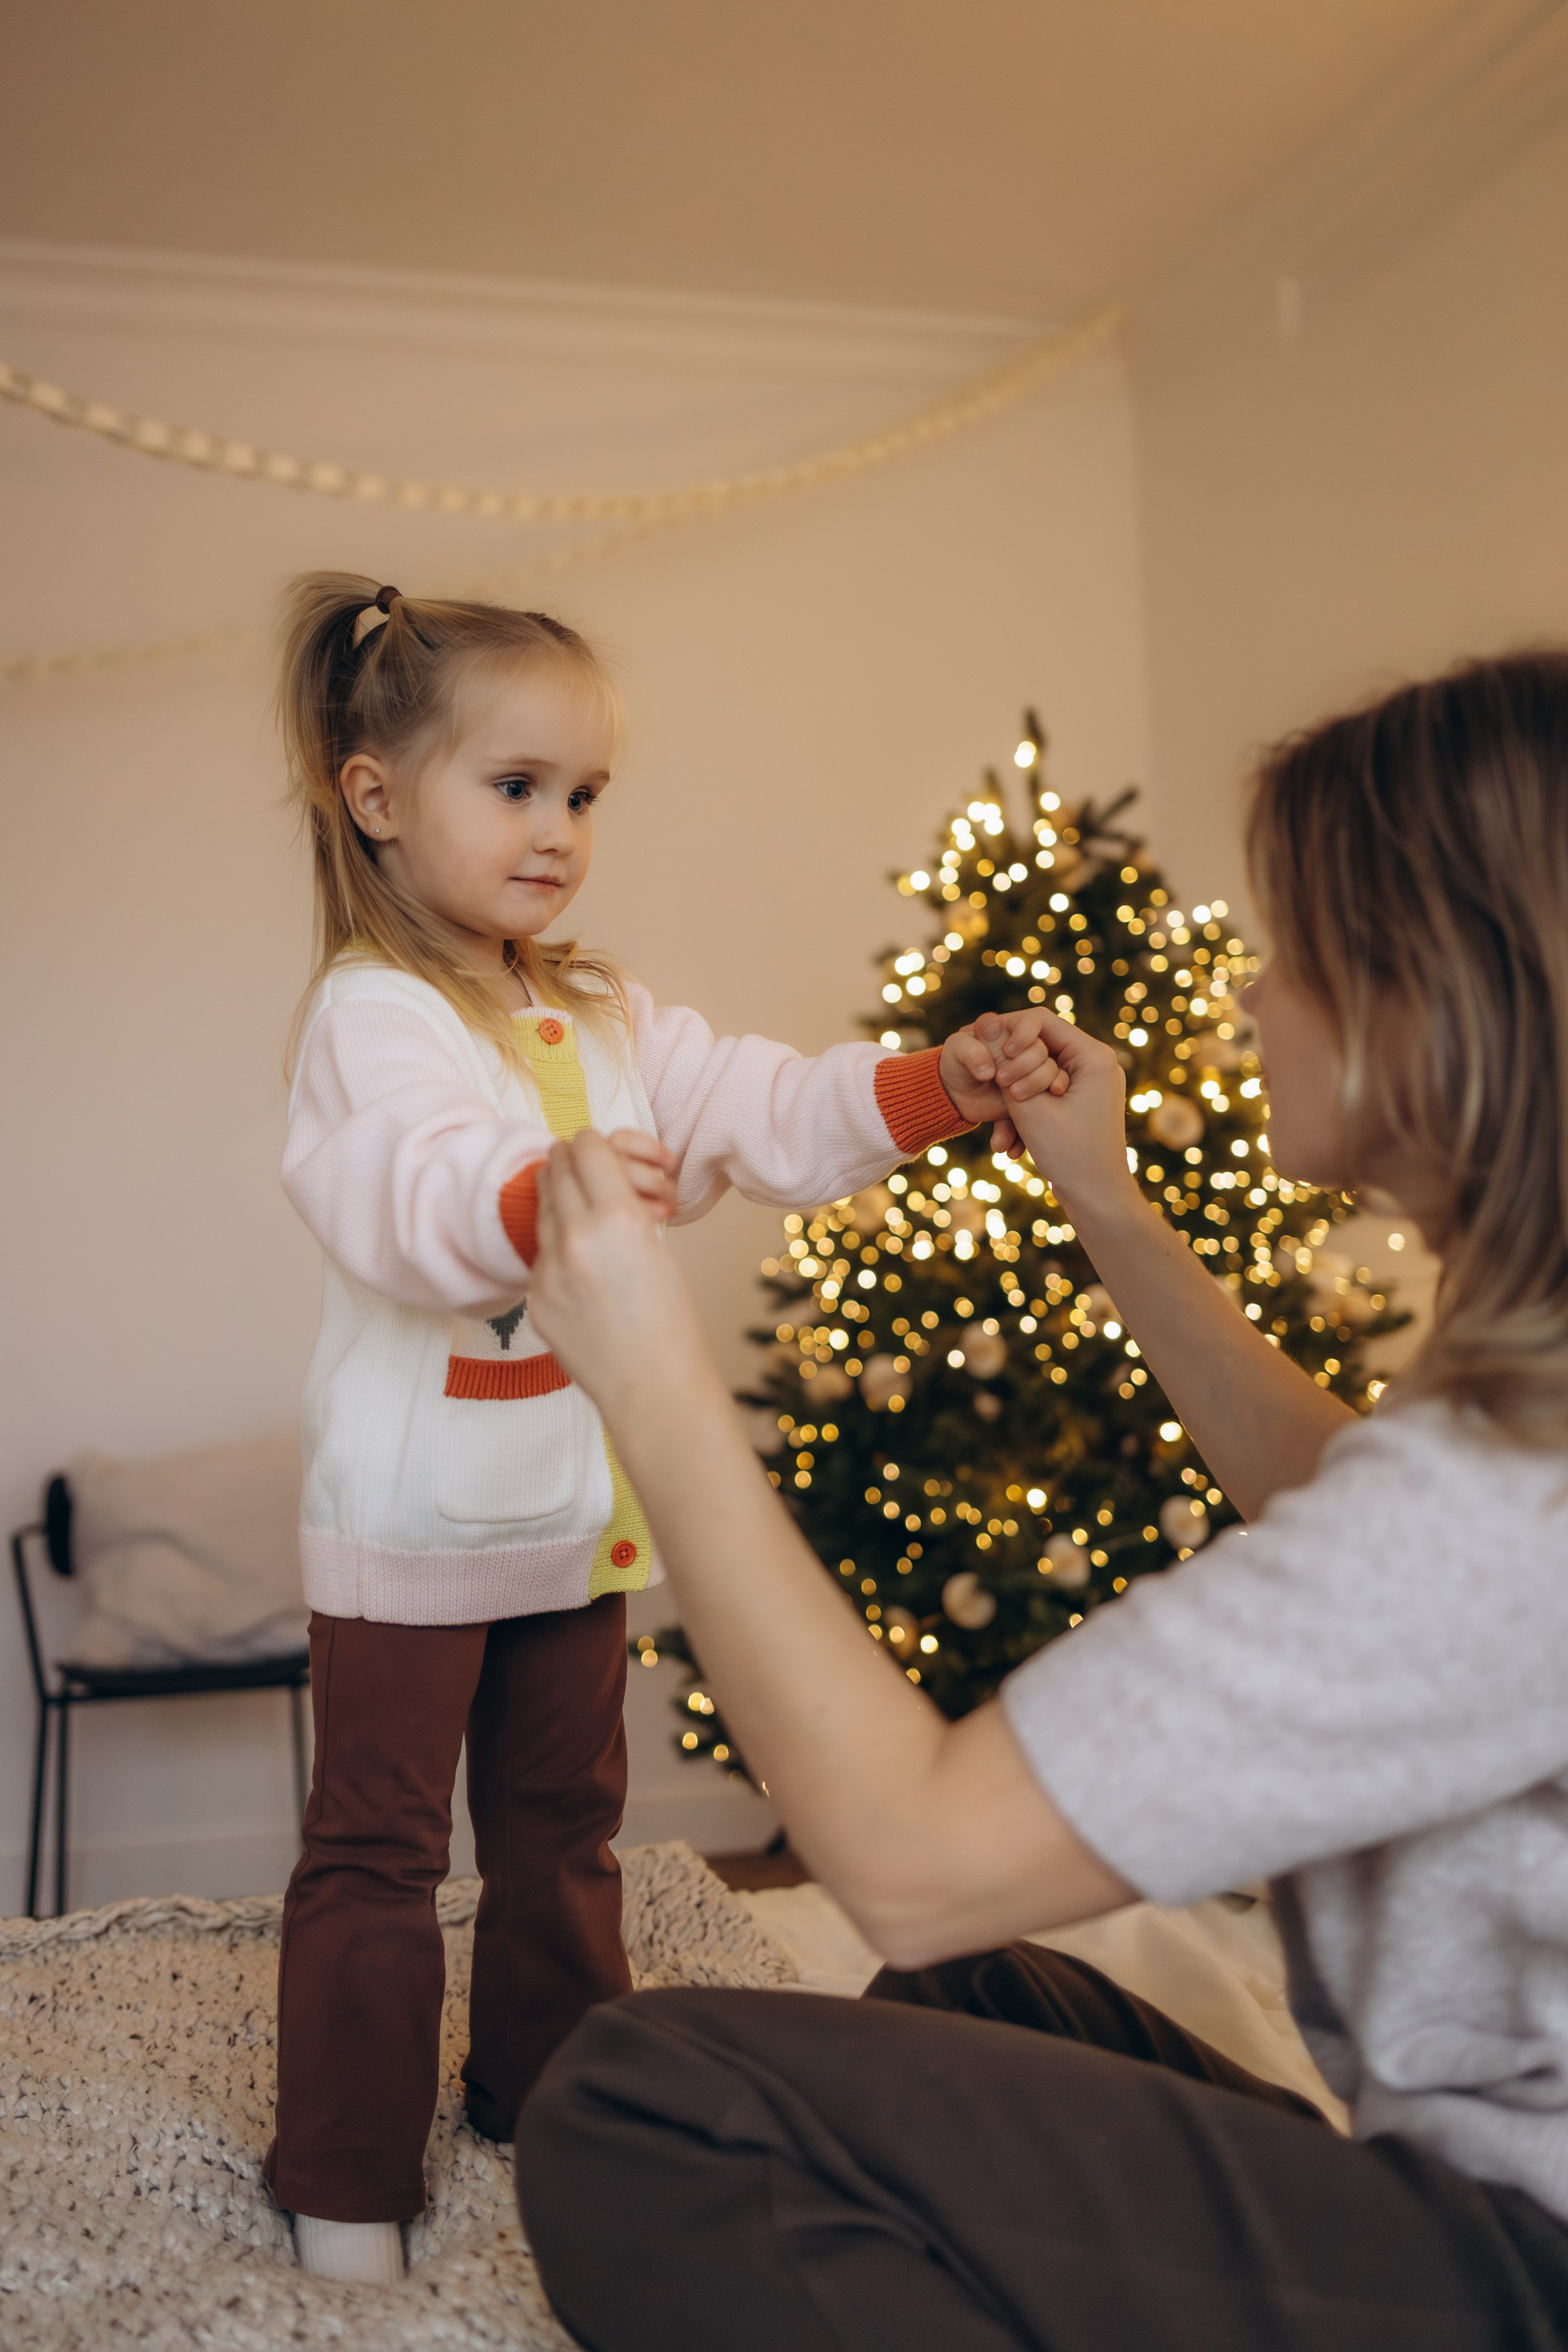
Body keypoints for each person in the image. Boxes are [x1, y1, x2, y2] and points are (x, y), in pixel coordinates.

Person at [514, 652, 1568, 2350]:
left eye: (1293, 950)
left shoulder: (1512, 1496)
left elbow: (915, 1859)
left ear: (1429, 1003)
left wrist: (650, 1377)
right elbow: (1352, 1507)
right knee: (973, 2006)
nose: (1248, 995)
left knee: (655, 2088)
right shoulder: (1513, 1420)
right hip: (1482, 2198)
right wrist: (1115, 1214)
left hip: (1528, 2269)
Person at [263, 572, 1059, 2284]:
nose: (557, 830)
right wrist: (524, 1189)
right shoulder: (373, 1016)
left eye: (584, 795)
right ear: (379, 797)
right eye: (516, 786)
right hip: (413, 1525)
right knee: (380, 1853)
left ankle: (546, 2094)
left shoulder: (612, 1014)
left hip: (567, 1508)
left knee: (566, 1834)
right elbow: (392, 1194)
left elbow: (768, 1105)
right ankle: (345, 2175)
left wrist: (940, 1083)